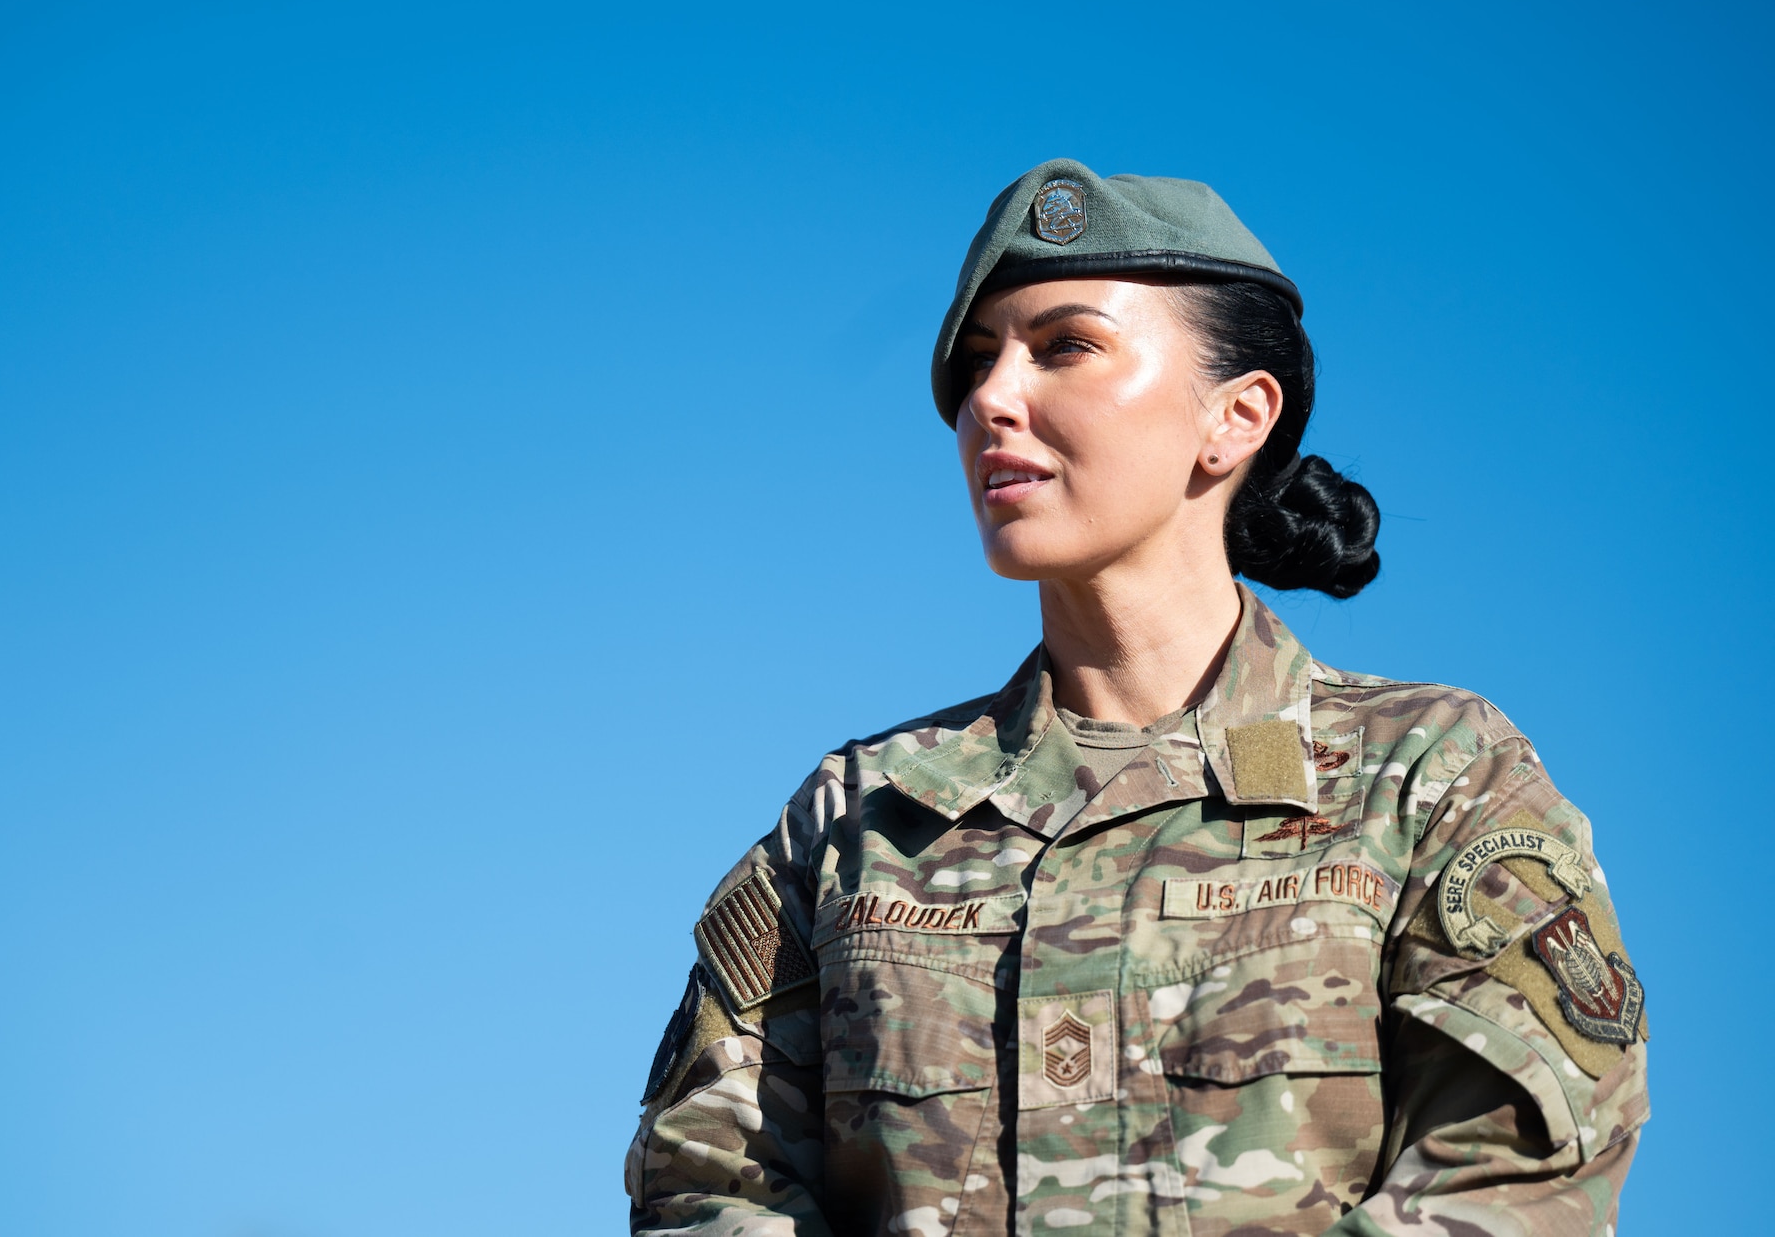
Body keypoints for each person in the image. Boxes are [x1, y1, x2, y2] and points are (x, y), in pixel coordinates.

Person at [624, 161, 1647, 1236]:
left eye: (1062, 346)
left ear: (1235, 416)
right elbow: (707, 1180)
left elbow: (1514, 1177)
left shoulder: (1427, 776)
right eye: (976, 365)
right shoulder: (860, 818)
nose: (989, 400)